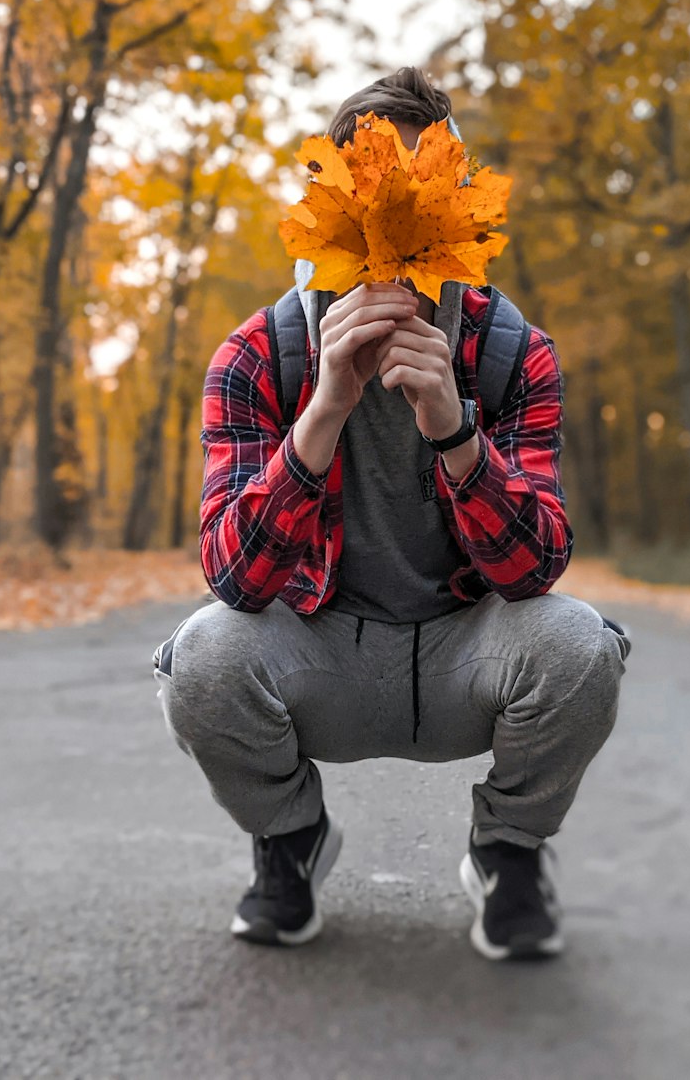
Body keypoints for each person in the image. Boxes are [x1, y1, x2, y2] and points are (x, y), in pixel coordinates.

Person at [153, 66, 629, 961]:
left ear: (459, 217)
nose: (394, 241)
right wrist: (322, 414)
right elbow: (232, 576)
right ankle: (290, 839)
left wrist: (456, 432)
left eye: (420, 210)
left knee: (579, 646)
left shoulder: (512, 351)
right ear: (330, 217)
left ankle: (508, 852)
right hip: (319, 652)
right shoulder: (259, 356)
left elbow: (535, 571)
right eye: (371, 211)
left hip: (464, 653)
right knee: (204, 658)